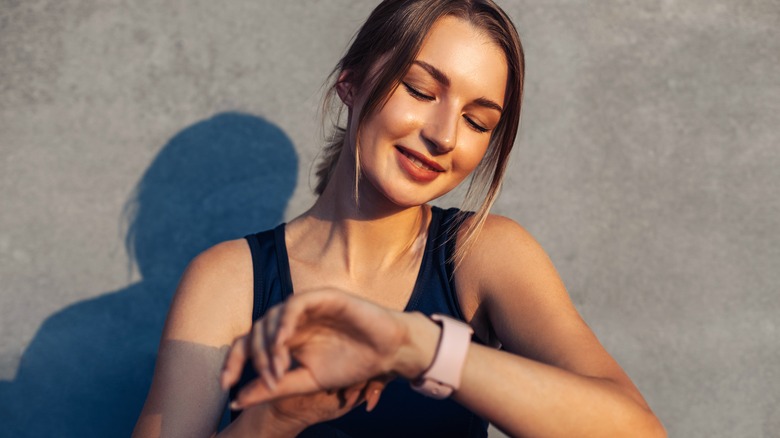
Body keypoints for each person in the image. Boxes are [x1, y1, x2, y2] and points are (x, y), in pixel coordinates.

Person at [134, 0, 666, 437]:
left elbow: (635, 431)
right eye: (420, 90)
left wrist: (416, 346)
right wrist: (272, 421)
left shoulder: (482, 254)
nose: (445, 135)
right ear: (351, 84)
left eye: (478, 121)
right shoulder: (228, 280)